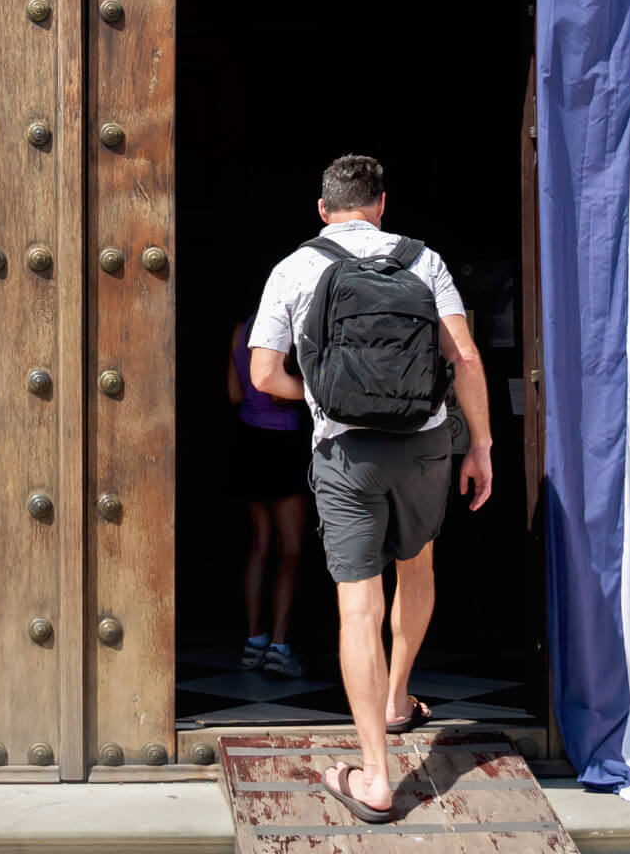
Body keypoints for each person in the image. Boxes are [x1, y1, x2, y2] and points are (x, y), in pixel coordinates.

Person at [249, 154, 492, 826]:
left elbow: (264, 375)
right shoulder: (424, 260)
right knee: (418, 565)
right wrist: (481, 444)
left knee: (358, 605)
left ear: (323, 210)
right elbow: (463, 355)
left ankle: (377, 778)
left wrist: (325, 397)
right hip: (425, 444)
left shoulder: (295, 268)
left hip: (346, 453)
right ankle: (398, 698)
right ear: (382, 204)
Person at [226, 311, 311, 677]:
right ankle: (280, 645)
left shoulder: (239, 330)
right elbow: (281, 390)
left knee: (260, 545)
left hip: (249, 440)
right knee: (290, 549)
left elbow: (234, 393)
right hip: (283, 441)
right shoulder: (286, 330)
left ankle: (253, 640)